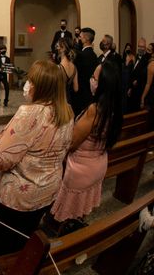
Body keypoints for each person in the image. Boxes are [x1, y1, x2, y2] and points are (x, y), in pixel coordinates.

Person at [0, 59, 74, 256]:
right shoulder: (67, 111)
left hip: (19, 194)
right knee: (25, 235)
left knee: (2, 244)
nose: (28, 85)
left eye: (31, 81)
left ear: (40, 87)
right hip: (48, 189)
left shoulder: (30, 113)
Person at [50, 63, 122, 229]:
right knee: (79, 208)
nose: (91, 80)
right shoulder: (114, 108)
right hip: (98, 163)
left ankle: (66, 237)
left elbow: (72, 143)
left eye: (94, 78)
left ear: (102, 84)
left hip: (80, 168)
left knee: (65, 213)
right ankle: (76, 227)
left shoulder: (94, 110)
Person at [73, 27, 98, 115]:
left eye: (80, 36)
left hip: (80, 95)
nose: (79, 38)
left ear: (86, 39)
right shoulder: (94, 55)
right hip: (90, 95)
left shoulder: (81, 55)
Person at [128, 38, 150, 112]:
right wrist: (130, 87)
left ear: (145, 47)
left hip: (141, 90)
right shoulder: (136, 56)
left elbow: (145, 75)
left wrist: (137, 80)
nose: (140, 48)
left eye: (142, 47)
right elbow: (133, 73)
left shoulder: (147, 59)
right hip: (133, 90)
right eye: (139, 46)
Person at [57, 38, 78, 105]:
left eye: (57, 46)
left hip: (60, 101)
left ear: (62, 49)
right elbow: (76, 88)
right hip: (69, 102)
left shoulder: (58, 68)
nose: (57, 48)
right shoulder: (74, 67)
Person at [141, 44, 154, 114]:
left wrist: (142, 98)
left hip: (150, 95)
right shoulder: (147, 61)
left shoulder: (151, 64)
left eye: (149, 50)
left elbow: (148, 84)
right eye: (147, 49)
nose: (146, 51)